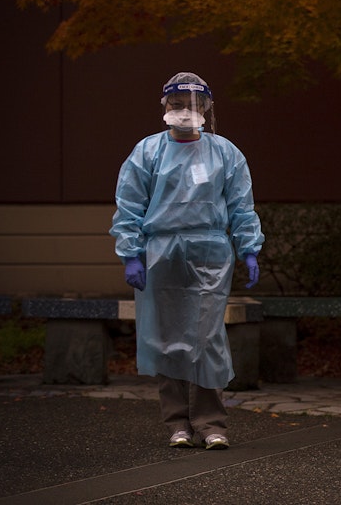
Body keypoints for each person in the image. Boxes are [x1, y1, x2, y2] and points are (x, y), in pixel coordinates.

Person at [110, 72, 264, 450]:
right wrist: (131, 253)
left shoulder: (224, 152)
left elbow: (241, 204)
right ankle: (177, 423)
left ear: (207, 108)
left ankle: (212, 423)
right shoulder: (148, 152)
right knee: (167, 338)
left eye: (192, 104)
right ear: (164, 107)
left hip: (210, 253)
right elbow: (129, 204)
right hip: (160, 253)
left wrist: (249, 247)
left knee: (206, 336)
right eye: (176, 104)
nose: (184, 111)